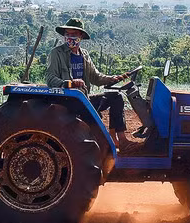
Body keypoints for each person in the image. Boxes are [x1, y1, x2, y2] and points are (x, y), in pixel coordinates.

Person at [45, 18, 135, 150]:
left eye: (73, 34)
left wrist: (114, 78)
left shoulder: (84, 55)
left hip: (84, 99)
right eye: (67, 34)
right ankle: (104, 146)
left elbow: (96, 77)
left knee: (116, 97)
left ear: (81, 36)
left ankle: (120, 139)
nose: (70, 38)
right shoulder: (56, 53)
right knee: (95, 124)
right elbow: (50, 78)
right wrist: (69, 83)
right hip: (68, 100)